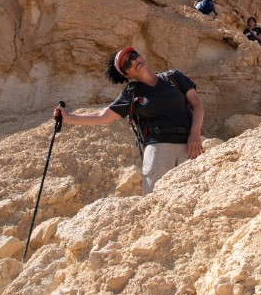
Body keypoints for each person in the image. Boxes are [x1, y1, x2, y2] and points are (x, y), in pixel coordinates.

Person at [53, 46, 205, 194]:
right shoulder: (132, 93)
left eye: (133, 56)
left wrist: (195, 134)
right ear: (127, 75)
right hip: (158, 148)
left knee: (195, 196)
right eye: (127, 64)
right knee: (157, 199)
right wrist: (68, 118)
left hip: (190, 144)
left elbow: (197, 104)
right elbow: (102, 116)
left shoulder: (174, 77)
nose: (133, 61)